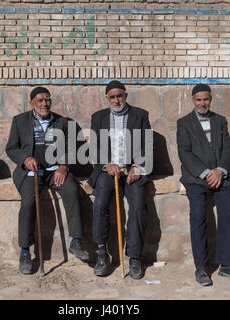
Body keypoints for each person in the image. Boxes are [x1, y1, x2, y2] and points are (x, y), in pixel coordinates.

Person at [6, 87, 89, 274]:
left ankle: (76, 241)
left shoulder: (63, 122)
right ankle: (25, 252)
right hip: (32, 172)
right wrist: (25, 159)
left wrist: (64, 166)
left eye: (47, 100)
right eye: (40, 100)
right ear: (32, 103)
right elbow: (11, 148)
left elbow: (72, 148)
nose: (44, 104)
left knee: (72, 191)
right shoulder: (20, 121)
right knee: (28, 203)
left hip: (54, 170)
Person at [177, 84, 230, 286]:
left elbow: (227, 147)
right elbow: (184, 153)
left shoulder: (220, 120)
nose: (202, 103)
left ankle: (227, 265)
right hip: (196, 178)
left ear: (210, 99)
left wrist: (220, 170)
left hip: (220, 176)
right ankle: (201, 269)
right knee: (198, 216)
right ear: (193, 100)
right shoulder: (184, 123)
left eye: (205, 99)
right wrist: (206, 173)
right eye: (198, 100)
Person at [88, 80, 151, 279]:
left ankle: (134, 257)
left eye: (119, 96)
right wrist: (107, 163)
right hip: (109, 171)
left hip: (133, 171)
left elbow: (146, 146)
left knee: (139, 206)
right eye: (112, 97)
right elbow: (95, 148)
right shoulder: (98, 118)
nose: (116, 100)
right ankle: (101, 253)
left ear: (126, 95)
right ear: (107, 98)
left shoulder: (140, 115)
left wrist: (138, 166)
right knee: (99, 203)